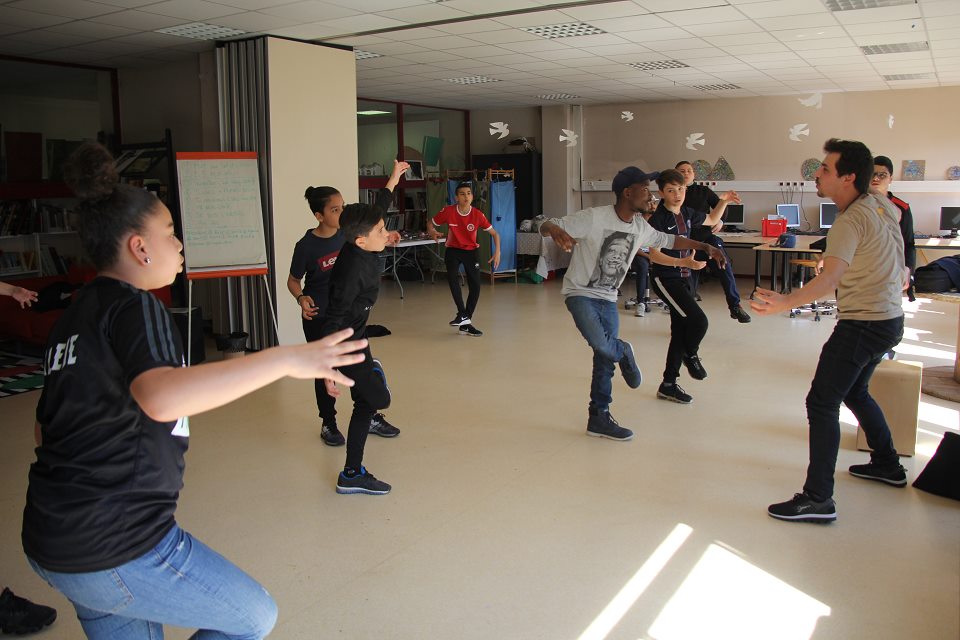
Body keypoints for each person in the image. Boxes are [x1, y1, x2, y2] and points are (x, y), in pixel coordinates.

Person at [21, 142, 368, 638]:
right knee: (252, 617)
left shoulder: (75, 316)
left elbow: (43, 427)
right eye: (169, 233)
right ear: (139, 247)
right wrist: (286, 358)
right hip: (117, 543)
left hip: (53, 538)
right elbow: (161, 397)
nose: (180, 244)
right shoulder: (134, 306)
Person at [752, 138, 907, 524]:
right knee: (855, 390)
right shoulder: (882, 204)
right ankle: (888, 464)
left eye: (824, 169)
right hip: (889, 320)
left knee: (821, 402)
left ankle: (818, 498)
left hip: (863, 324)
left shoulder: (850, 220)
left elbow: (831, 278)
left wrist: (785, 302)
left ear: (849, 177)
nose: (816, 174)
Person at [539, 167, 725, 441]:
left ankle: (599, 416)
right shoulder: (593, 217)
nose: (650, 196)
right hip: (580, 294)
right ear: (628, 193)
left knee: (604, 358)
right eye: (645, 190)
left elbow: (670, 240)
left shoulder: (640, 227)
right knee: (606, 346)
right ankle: (624, 350)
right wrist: (554, 228)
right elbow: (545, 223)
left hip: (609, 298)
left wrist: (706, 246)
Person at [287, 160, 408, 446]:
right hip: (321, 317)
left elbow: (377, 208)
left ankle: (369, 415)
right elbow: (293, 281)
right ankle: (328, 422)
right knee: (325, 370)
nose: (341, 212)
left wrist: (392, 179)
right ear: (318, 215)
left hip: (347, 317)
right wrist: (301, 297)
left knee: (356, 368)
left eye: (342, 206)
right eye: (334, 209)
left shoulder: (349, 233)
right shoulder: (306, 246)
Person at [321, 201, 399, 495]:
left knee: (364, 404)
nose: (387, 233)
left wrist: (393, 178)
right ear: (360, 240)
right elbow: (334, 319)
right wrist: (327, 367)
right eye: (381, 230)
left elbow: (379, 204)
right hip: (346, 344)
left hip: (359, 335)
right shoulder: (351, 272)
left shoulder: (362, 246)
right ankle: (352, 473)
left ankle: (352, 473)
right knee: (379, 399)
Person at [647, 169, 717, 405]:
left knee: (680, 330)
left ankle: (668, 385)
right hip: (666, 279)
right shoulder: (658, 220)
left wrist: (725, 201)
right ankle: (690, 354)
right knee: (698, 321)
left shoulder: (687, 213)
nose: (677, 194)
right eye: (671, 190)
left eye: (681, 189)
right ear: (661, 193)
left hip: (685, 276)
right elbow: (654, 255)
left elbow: (712, 219)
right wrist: (682, 262)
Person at [675, 160, 751, 322]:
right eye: (682, 171)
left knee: (724, 266)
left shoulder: (703, 191)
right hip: (685, 243)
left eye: (689, 170)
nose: (686, 173)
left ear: (694, 174)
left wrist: (721, 221)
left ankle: (735, 306)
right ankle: (688, 319)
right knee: (688, 285)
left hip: (707, 239)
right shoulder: (674, 194)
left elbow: (721, 207)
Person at [427, 182, 500, 337]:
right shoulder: (448, 211)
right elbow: (431, 223)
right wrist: (432, 232)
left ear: (472, 196)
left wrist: (497, 252)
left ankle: (466, 322)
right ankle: (462, 313)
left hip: (471, 251)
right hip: (453, 250)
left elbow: (495, 233)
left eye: (468, 193)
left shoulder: (478, 215)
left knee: (476, 286)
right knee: (453, 279)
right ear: (456, 197)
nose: (466, 196)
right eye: (462, 194)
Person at [871, 155, 916, 302]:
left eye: (882, 175)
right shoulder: (858, 204)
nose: (876, 178)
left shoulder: (901, 208)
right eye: (872, 174)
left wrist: (908, 269)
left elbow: (909, 243)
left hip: (891, 270)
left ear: (890, 179)